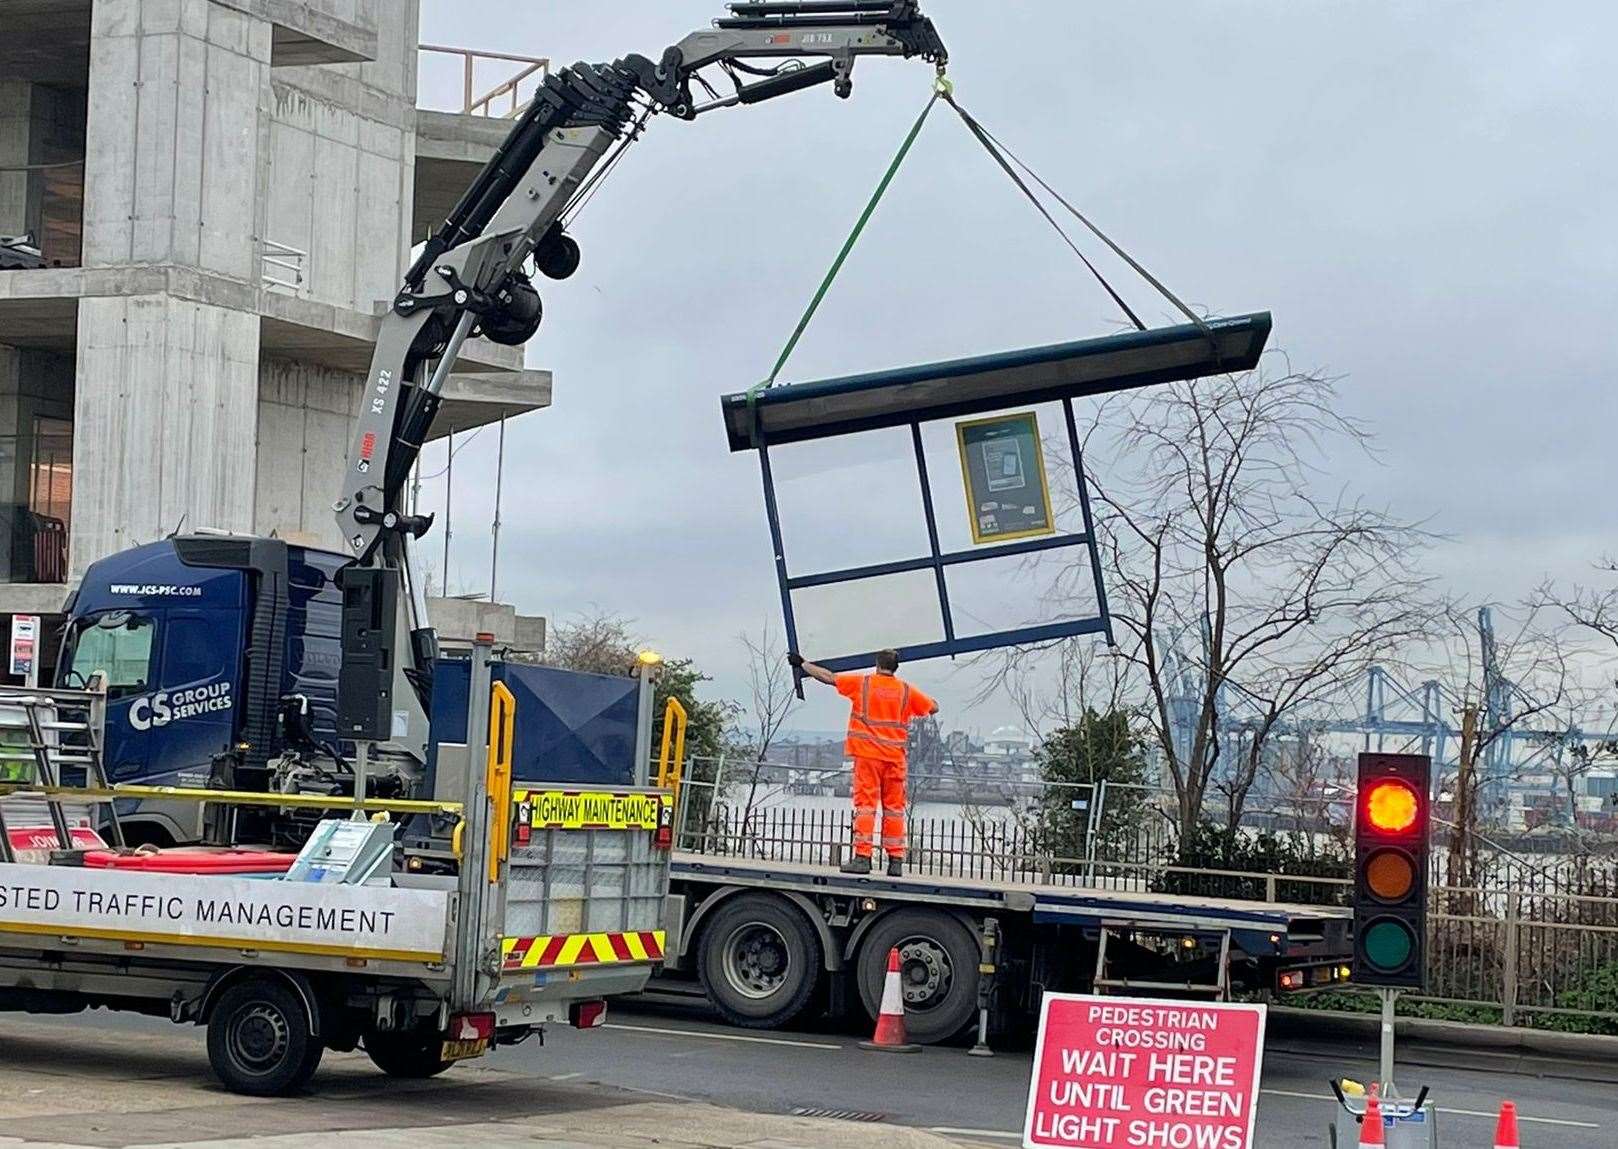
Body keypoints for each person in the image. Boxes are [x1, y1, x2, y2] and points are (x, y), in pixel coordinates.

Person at [789, 649, 937, 877]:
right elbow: (933, 707)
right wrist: (925, 700)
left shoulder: (864, 684)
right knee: (895, 810)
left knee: (866, 806)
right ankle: (895, 860)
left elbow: (829, 677)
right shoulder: (906, 691)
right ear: (896, 667)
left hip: (868, 757)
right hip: (895, 759)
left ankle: (863, 857)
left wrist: (803, 664)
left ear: (877, 664)